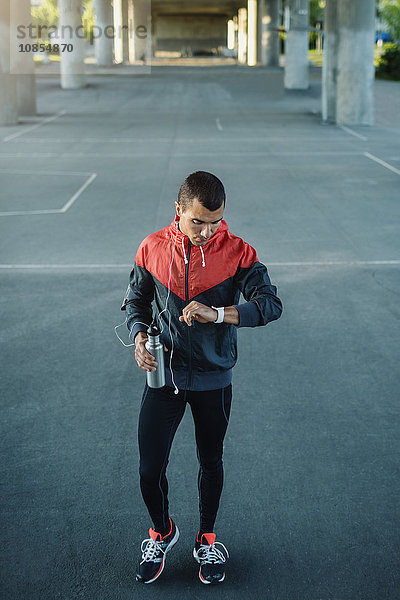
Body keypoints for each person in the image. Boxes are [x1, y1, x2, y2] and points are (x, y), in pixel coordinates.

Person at [122, 171, 282, 585]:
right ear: (179, 210)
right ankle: (161, 530)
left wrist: (220, 314)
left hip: (214, 379)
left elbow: (270, 304)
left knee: (210, 461)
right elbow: (136, 300)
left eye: (215, 222)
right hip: (164, 378)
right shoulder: (151, 248)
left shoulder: (237, 252)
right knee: (148, 467)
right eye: (198, 222)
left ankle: (207, 539)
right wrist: (139, 337)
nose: (207, 232)